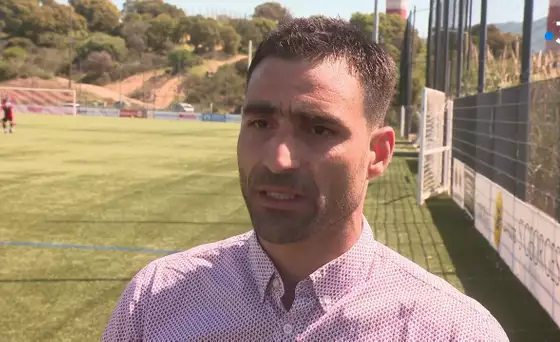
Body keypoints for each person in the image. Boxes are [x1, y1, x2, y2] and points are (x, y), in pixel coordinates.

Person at [102, 17, 509, 341]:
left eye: (318, 130)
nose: (278, 160)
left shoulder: (453, 330)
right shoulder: (156, 299)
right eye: (260, 123)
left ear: (378, 153)